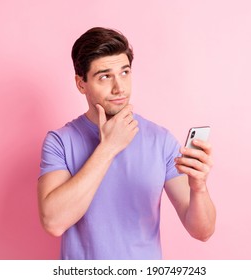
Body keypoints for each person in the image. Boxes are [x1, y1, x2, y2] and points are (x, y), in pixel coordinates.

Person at [37, 27, 216, 260]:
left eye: (124, 72)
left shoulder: (160, 140)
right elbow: (53, 222)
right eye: (104, 76)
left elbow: (202, 231)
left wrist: (199, 187)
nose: (119, 87)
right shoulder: (59, 142)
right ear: (81, 84)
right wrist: (108, 147)